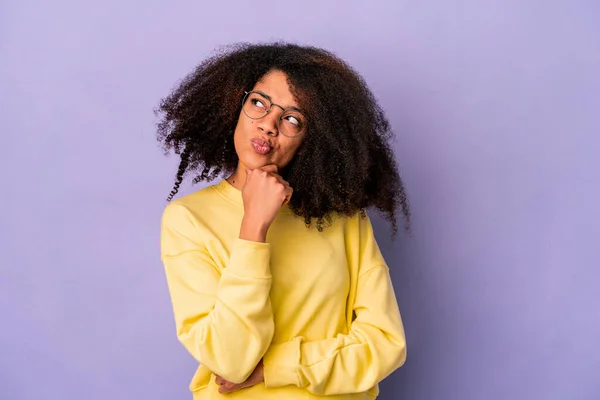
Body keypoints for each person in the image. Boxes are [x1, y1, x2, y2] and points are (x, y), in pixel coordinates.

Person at [157, 42, 411, 399]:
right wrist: (253, 227)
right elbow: (229, 360)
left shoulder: (344, 218)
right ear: (235, 106)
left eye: (292, 119)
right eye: (258, 103)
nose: (268, 126)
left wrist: (271, 369)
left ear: (313, 137)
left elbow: (385, 344)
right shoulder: (188, 219)